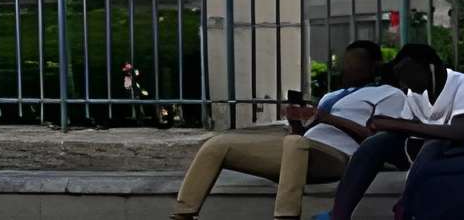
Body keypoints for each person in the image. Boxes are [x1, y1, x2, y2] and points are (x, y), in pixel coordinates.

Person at [169, 38, 395, 220]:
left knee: (295, 144)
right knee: (219, 144)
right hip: (300, 150)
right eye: (345, 63)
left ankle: (286, 216)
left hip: (339, 158)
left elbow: (381, 141)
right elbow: (301, 137)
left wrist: (329, 119)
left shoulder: (388, 93)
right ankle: (183, 213)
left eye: (354, 64)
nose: (346, 69)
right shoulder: (331, 96)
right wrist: (297, 121)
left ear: (374, 66)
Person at [315, 42, 464, 220]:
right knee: (376, 144)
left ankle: (406, 205)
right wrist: (382, 124)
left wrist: (395, 124)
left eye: (407, 76)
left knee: (433, 144)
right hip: (444, 152)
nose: (404, 84)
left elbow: (460, 132)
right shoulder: (414, 94)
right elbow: (405, 131)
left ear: (430, 68)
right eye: (400, 78)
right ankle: (339, 215)